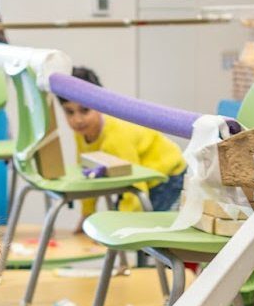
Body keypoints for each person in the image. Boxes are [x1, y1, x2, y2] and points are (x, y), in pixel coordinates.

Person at [57, 66, 186, 232]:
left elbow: (135, 186)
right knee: (123, 221)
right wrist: (87, 214)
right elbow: (87, 174)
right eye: (69, 112)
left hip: (168, 176)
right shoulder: (82, 133)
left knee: (145, 235)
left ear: (99, 104)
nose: (78, 120)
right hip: (141, 176)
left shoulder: (115, 137)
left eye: (85, 110)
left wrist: (119, 230)